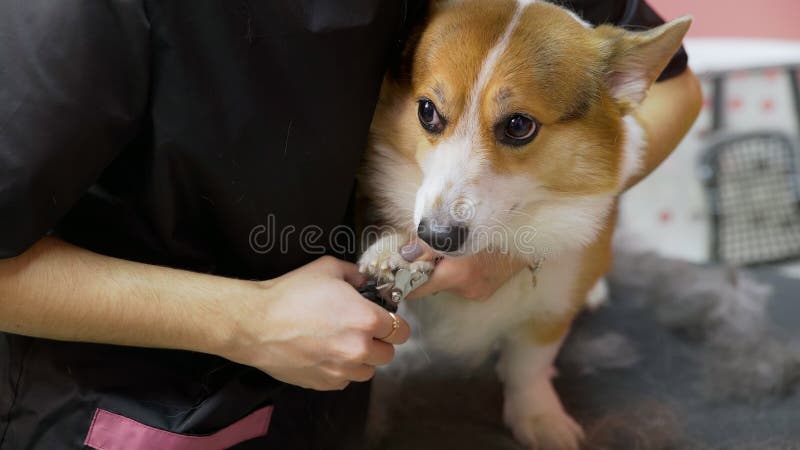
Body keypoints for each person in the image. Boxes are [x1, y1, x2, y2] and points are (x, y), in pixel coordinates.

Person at [0, 0, 701, 448]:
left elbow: (672, 87)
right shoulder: (76, 19)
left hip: (333, 405)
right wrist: (244, 320)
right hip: (103, 397)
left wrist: (521, 246)